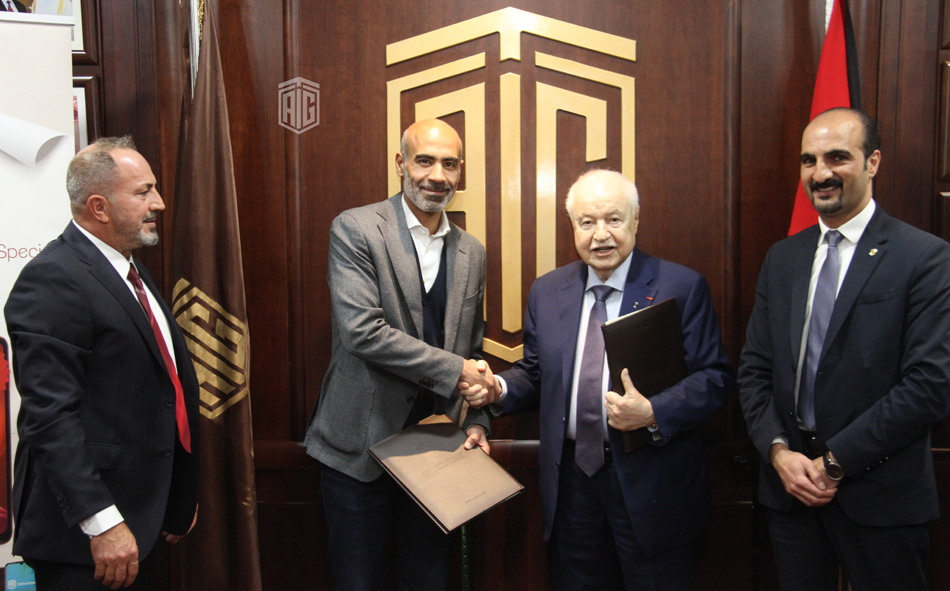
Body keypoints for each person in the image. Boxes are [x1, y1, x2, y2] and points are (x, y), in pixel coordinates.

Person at [462, 169, 734, 590]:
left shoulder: (680, 286)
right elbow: (537, 373)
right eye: (587, 222)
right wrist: (499, 387)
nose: (600, 235)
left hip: (652, 484)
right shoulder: (548, 291)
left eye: (614, 219)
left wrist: (653, 412)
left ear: (636, 220)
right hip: (573, 485)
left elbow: (714, 379)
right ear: (572, 226)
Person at [738, 107, 950, 591]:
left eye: (837, 157)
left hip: (881, 494)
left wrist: (836, 462)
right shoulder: (783, 257)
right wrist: (778, 452)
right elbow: (754, 370)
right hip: (791, 490)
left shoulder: (925, 258)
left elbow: (930, 386)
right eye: (809, 160)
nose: (821, 173)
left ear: (873, 162)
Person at [303, 118, 495, 591]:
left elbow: (471, 349)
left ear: (461, 171)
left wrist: (477, 421)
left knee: (428, 581)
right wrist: (458, 369)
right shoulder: (356, 228)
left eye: (449, 164)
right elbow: (363, 333)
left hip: (436, 452)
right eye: (424, 161)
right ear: (400, 164)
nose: (437, 176)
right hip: (357, 452)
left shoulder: (472, 252)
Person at [4, 136, 200, 590]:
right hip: (88, 539)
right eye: (143, 192)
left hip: (141, 519)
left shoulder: (126, 268)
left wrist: (178, 494)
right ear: (99, 207)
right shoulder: (54, 277)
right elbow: (50, 417)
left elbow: (164, 387)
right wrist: (102, 522)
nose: (159, 203)